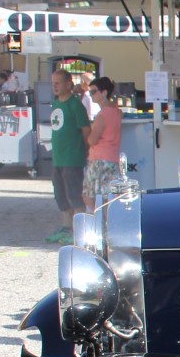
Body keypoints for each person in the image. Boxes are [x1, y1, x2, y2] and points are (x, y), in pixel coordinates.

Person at [46, 70, 91, 242]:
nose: (55, 86)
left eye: (58, 83)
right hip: (58, 158)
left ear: (68, 84)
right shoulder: (57, 103)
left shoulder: (76, 105)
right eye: (53, 83)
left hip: (73, 158)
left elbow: (87, 131)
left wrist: (84, 150)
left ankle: (79, 231)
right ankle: (66, 228)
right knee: (61, 194)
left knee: (75, 194)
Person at [83, 76, 123, 210]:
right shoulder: (117, 112)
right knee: (108, 196)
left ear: (104, 92)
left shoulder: (102, 116)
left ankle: (101, 221)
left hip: (98, 159)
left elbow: (92, 140)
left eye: (94, 92)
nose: (91, 95)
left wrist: (89, 130)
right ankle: (107, 222)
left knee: (88, 195)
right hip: (113, 158)